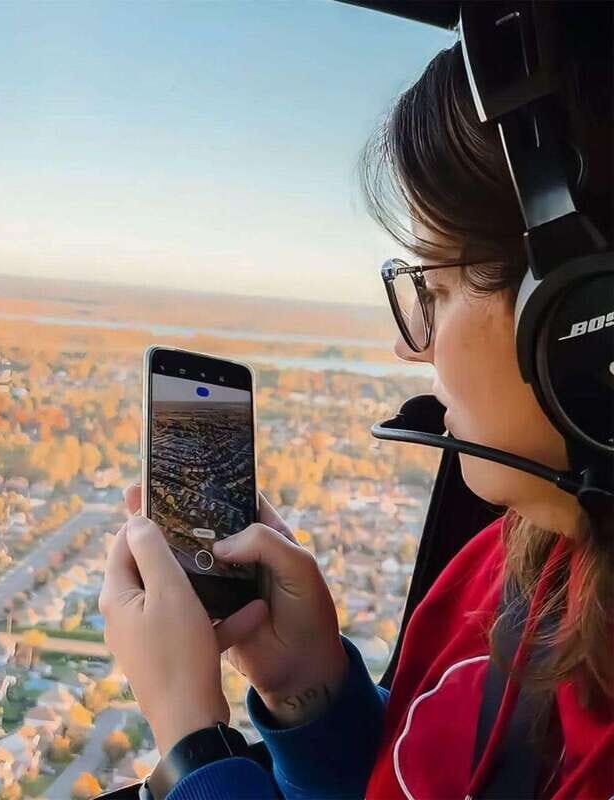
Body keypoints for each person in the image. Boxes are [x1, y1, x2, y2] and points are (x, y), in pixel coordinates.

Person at [100, 39, 613, 800]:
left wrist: (192, 745)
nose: (412, 350)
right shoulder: (506, 568)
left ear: (587, 319)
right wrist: (310, 693)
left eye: (432, 293)